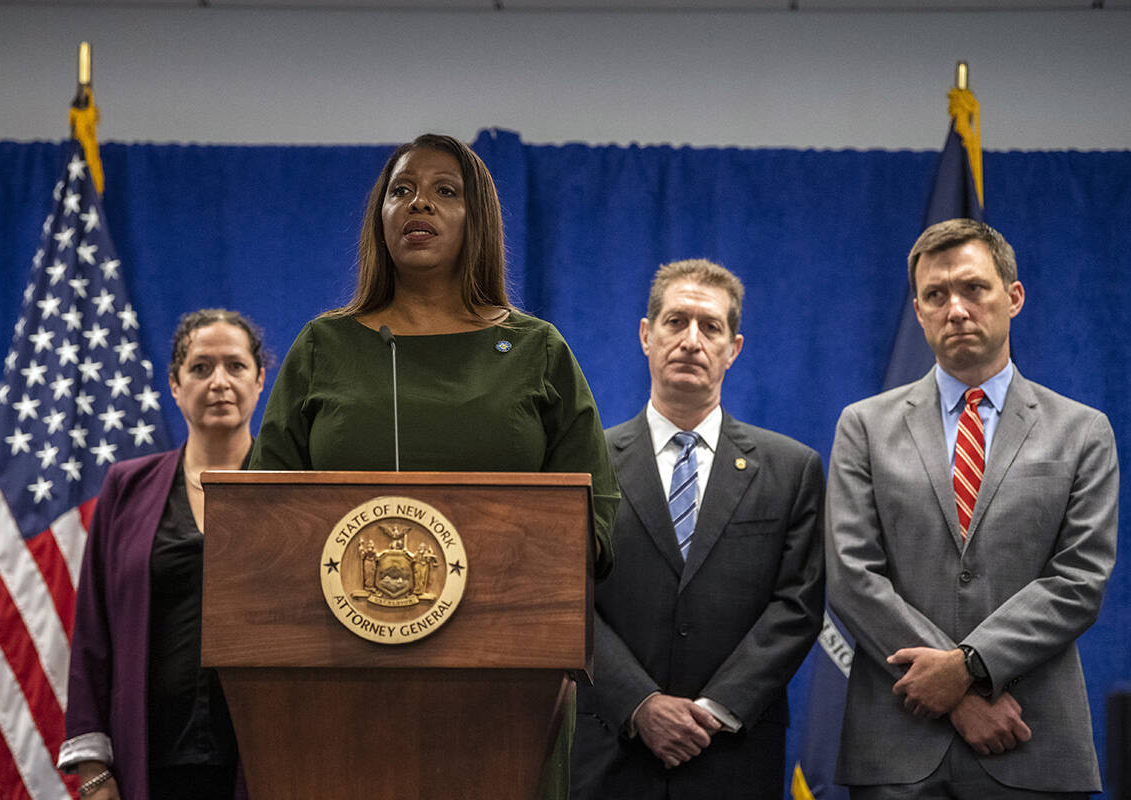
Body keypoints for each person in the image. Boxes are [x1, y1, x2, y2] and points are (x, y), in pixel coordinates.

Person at [248, 133, 618, 799]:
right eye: (402, 190)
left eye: (446, 191)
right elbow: (260, 515)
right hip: (337, 673)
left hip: (506, 677)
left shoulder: (535, 349)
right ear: (379, 217)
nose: (420, 203)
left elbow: (595, 513)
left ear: (478, 219)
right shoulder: (323, 345)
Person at [826, 219, 1118, 798]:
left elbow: (1079, 581)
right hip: (897, 743)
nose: (955, 308)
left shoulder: (1082, 431)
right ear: (918, 310)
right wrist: (958, 692)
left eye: (974, 289)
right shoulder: (864, 426)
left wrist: (966, 668)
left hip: (1032, 738)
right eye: (936, 295)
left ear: (1013, 298)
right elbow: (850, 575)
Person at [570, 259, 826, 800]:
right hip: (610, 752)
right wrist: (639, 703)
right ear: (646, 335)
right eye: (675, 321)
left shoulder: (791, 469)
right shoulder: (584, 465)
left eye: (710, 327)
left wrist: (712, 712)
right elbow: (568, 599)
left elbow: (798, 606)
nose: (691, 340)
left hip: (732, 753)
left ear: (734, 348)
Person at [58, 309, 267, 800]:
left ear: (260, 380)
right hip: (148, 765)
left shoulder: (289, 490)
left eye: (235, 366)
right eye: (200, 368)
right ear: (174, 385)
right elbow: (93, 633)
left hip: (261, 763)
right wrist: (93, 771)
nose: (219, 382)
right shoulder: (126, 488)